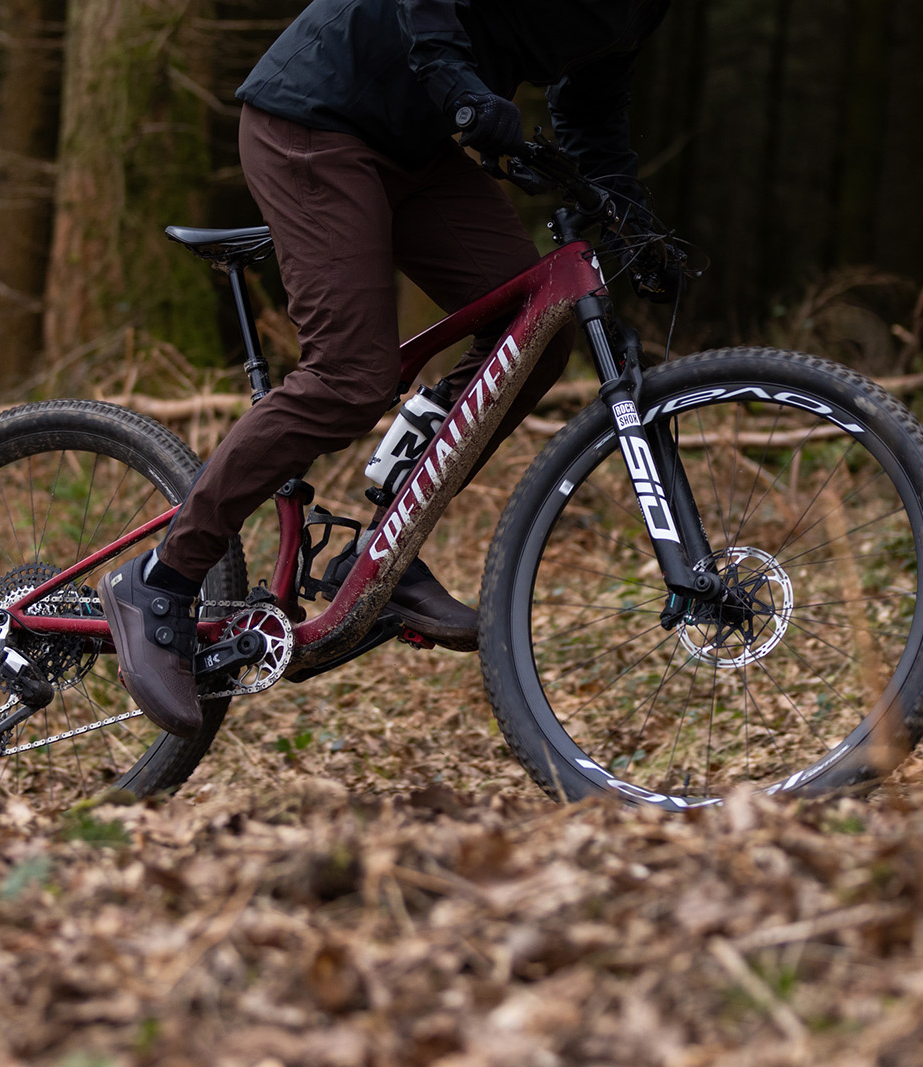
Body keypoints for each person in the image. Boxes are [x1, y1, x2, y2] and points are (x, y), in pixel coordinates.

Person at [101, 0, 677, 737]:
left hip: (419, 142)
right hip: (316, 116)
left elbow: (591, 103)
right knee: (350, 375)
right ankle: (162, 580)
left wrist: (632, 214)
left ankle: (382, 553)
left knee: (535, 335)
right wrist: (463, 89)